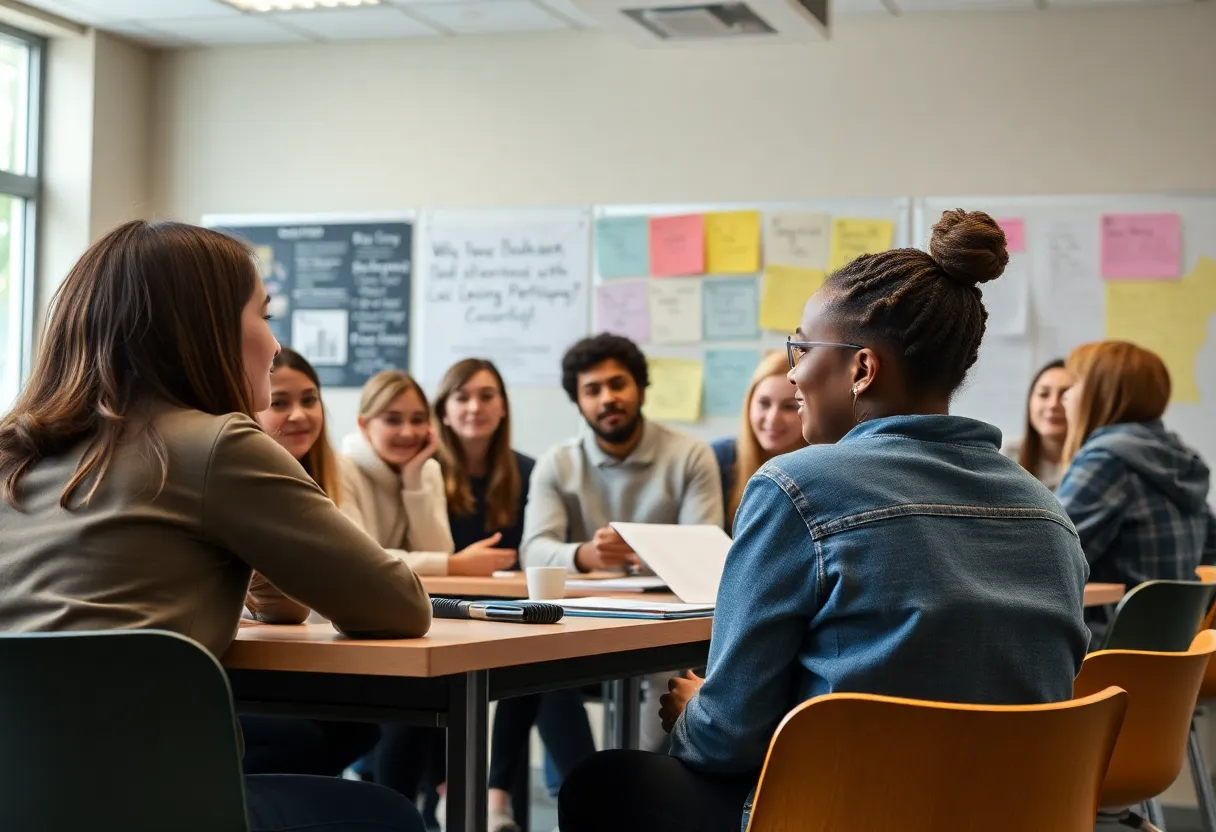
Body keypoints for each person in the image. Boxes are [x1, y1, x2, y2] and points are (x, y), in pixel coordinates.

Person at [557, 211, 1090, 832]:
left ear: (861, 369)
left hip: (849, 813)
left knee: (604, 783)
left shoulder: (796, 487)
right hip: (1019, 815)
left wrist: (697, 711)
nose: (792, 373)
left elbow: (727, 738)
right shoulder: (1045, 508)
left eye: (803, 349)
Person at [0, 220, 431, 832]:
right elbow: (397, 606)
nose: (275, 346)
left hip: (17, 802)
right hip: (153, 806)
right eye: (265, 315)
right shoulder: (218, 444)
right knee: (385, 814)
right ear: (204, 329)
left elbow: (281, 606)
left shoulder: (12, 453)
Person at [375, 359, 593, 831]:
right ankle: (447, 789)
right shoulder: (422, 471)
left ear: (503, 407)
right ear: (444, 410)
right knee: (438, 674)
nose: (475, 407)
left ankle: (499, 796)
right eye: (463, 396)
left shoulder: (529, 471)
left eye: (487, 395)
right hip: (440, 615)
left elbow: (536, 551)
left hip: (506, 615)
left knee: (540, 663)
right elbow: (412, 555)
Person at [521, 333, 725, 755]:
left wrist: (640, 554)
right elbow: (534, 549)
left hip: (664, 630)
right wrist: (585, 555)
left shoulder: (691, 455)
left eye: (618, 384)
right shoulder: (557, 463)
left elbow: (705, 555)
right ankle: (583, 786)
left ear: (641, 389)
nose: (607, 398)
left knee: (667, 671)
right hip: (580, 625)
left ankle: (638, 777)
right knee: (531, 666)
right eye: (592, 390)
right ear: (578, 403)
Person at [239, 347, 381, 778]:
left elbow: (367, 565)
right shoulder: (242, 476)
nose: (299, 415)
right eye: (279, 402)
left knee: (362, 725)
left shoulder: (334, 474)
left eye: (310, 399)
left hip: (312, 650)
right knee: (320, 734)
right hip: (253, 660)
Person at [1056, 340, 1216, 593]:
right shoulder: (1181, 459)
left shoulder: (1109, 459)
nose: (1064, 396)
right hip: (1168, 619)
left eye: (1072, 384)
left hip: (1107, 618)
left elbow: (1047, 549)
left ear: (1102, 393)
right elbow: (1211, 548)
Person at [339, 369, 516, 576]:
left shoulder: (427, 470)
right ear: (363, 424)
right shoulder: (340, 469)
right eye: (393, 420)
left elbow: (437, 551)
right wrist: (455, 565)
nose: (408, 432)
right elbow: (359, 558)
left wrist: (413, 481)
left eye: (417, 420)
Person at [711, 350, 806, 530]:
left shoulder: (823, 467)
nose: (772, 419)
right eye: (764, 403)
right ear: (749, 403)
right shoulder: (718, 458)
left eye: (789, 406)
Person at [1001, 359, 1074, 490]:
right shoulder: (1008, 456)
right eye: (1043, 394)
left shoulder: (1095, 461)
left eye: (1065, 396)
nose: (1053, 405)